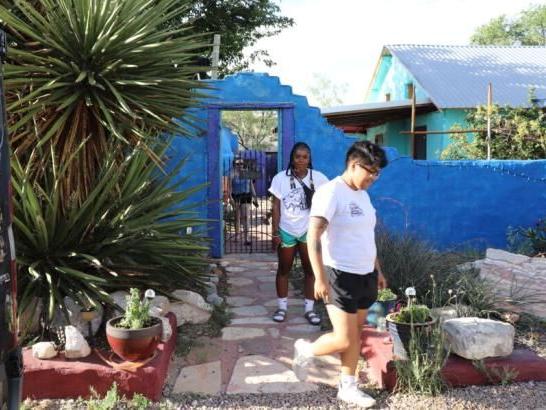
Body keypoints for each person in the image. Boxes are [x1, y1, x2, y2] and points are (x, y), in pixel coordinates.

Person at [292, 140, 388, 408]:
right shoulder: (330, 192)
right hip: (339, 275)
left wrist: (378, 271)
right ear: (354, 164)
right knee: (344, 338)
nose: (373, 177)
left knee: (356, 334)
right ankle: (306, 350)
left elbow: (367, 237)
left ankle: (348, 386)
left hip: (365, 274)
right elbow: (313, 237)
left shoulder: (364, 195)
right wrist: (320, 276)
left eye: (377, 172)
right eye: (370, 171)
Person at [268, 142, 329, 325]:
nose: (301, 160)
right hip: (287, 230)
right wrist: (275, 232)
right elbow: (276, 206)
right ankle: (282, 307)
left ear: (309, 159)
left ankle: (309, 310)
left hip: (308, 232)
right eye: (297, 156)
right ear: (292, 158)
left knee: (310, 271)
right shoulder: (280, 178)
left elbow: (329, 200)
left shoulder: (318, 178)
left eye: (305, 157)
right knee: (283, 269)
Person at [226, 157, 257, 246]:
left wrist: (255, 197)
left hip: (246, 196)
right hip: (236, 196)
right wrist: (230, 198)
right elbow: (230, 187)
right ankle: (237, 236)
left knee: (246, 217)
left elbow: (251, 186)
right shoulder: (231, 174)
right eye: (238, 164)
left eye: (241, 164)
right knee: (237, 217)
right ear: (235, 165)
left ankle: (247, 238)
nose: (240, 166)